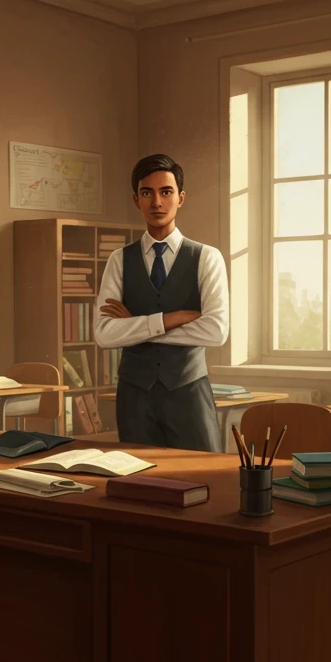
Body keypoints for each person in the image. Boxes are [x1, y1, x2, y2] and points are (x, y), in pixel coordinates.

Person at [93, 153, 228, 452]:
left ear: (181, 198)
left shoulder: (207, 258)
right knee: (140, 476)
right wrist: (171, 319)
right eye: (147, 193)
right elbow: (104, 334)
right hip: (134, 399)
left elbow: (216, 331)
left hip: (189, 393)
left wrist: (134, 328)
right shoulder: (119, 260)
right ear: (136, 200)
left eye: (166, 192)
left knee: (206, 473)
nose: (156, 202)